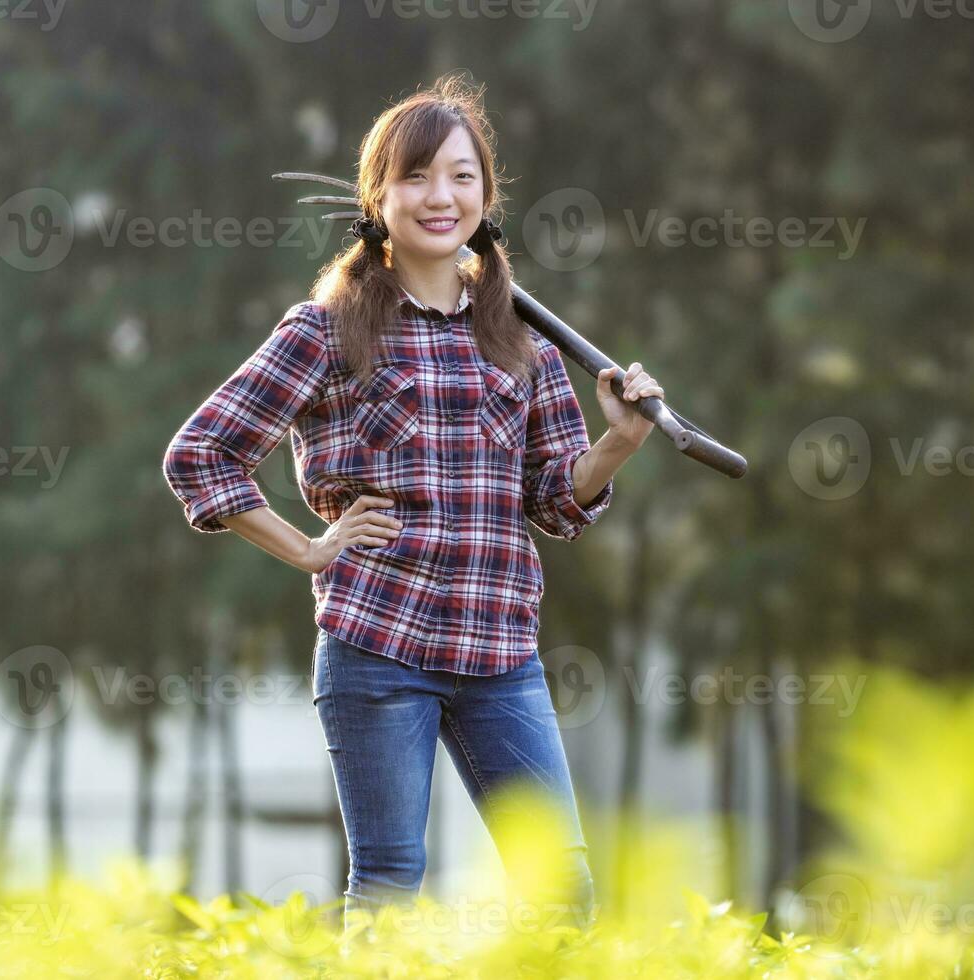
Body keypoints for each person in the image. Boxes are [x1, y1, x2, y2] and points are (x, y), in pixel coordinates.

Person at [161, 72, 662, 928]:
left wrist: (617, 441)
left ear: (487, 197)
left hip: (501, 648)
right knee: (391, 883)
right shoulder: (326, 329)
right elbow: (201, 454)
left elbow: (552, 499)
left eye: (462, 177)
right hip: (378, 642)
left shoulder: (522, 342)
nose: (441, 196)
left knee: (561, 891)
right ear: (379, 196)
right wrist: (309, 551)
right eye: (418, 176)